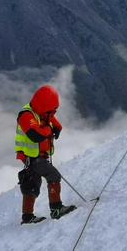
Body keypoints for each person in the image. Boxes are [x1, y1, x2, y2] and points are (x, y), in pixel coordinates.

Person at [15, 85, 76, 224]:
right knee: (53, 176)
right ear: (44, 107)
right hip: (34, 157)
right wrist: (50, 130)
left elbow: (50, 120)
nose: (54, 113)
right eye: (52, 110)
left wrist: (57, 126)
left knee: (32, 183)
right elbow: (35, 135)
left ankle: (27, 217)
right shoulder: (26, 116)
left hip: (34, 157)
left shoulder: (39, 112)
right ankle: (56, 209)